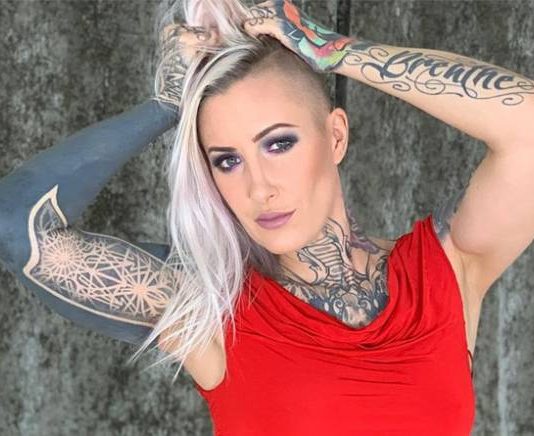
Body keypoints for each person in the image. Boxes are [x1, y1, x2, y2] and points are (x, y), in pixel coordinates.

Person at [1, 0, 533, 434]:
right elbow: (16, 224)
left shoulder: (446, 272)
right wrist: (167, 104)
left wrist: (327, 48)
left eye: (278, 144)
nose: (258, 187)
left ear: (336, 136)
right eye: (227, 161)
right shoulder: (211, 309)